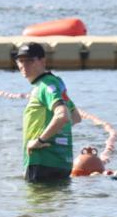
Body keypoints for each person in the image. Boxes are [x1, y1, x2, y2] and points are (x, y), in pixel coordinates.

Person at [16, 42, 81, 182]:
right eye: (21, 61)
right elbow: (75, 117)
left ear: (42, 61)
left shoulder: (45, 86)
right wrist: (57, 138)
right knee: (55, 203)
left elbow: (63, 116)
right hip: (61, 162)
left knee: (35, 203)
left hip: (41, 161)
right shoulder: (56, 83)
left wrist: (40, 141)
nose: (24, 65)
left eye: (30, 60)